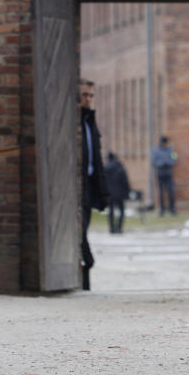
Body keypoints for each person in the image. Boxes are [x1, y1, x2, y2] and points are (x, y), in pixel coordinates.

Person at [79, 79, 108, 291]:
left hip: (88, 185)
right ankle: (87, 264)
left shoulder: (89, 121)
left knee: (83, 231)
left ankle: (84, 278)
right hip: (73, 187)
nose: (88, 99)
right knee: (78, 234)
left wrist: (102, 191)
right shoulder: (75, 122)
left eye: (91, 95)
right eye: (84, 95)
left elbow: (96, 159)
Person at [103, 152, 131, 234]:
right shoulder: (120, 168)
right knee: (121, 211)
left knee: (110, 211)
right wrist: (127, 192)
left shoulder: (104, 168)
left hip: (109, 193)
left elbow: (103, 182)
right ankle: (119, 228)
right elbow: (125, 181)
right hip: (119, 193)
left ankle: (111, 228)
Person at [151, 136, 177, 215]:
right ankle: (162, 210)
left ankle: (172, 209)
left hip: (169, 174)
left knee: (171, 192)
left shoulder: (170, 150)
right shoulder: (156, 151)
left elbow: (175, 158)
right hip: (160, 174)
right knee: (161, 193)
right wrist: (161, 163)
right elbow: (153, 161)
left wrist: (169, 162)